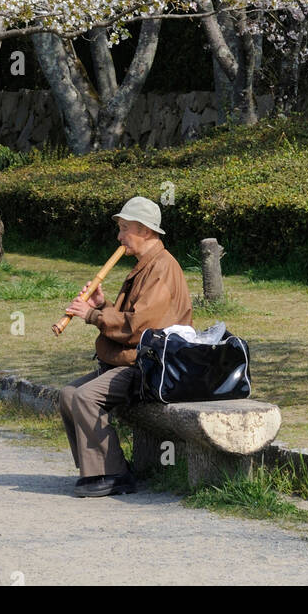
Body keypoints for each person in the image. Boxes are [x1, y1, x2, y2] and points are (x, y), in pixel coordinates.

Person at [58, 195, 193, 498]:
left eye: (124, 228)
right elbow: (130, 316)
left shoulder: (162, 268)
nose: (119, 237)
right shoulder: (145, 265)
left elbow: (140, 328)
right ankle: (96, 469)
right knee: (68, 394)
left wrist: (92, 315)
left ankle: (115, 474)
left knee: (85, 396)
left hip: (151, 367)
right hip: (133, 361)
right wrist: (102, 303)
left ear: (145, 230)